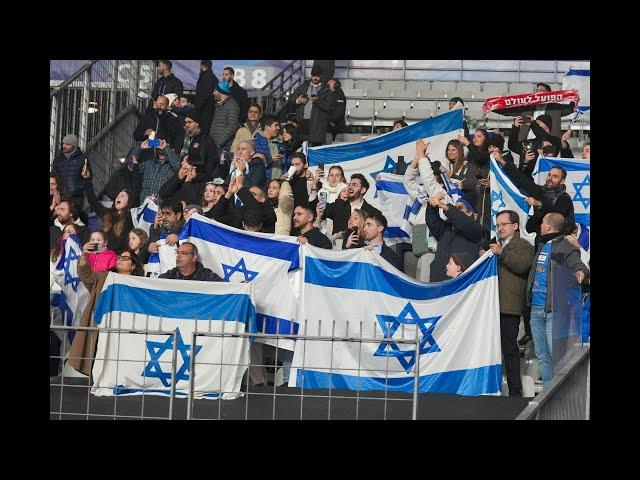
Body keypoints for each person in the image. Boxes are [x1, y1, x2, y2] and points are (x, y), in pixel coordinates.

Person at [526, 212, 589, 388]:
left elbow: (577, 263)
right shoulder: (541, 244)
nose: (539, 226)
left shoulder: (565, 245)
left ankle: (563, 394)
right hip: (536, 308)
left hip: (553, 309)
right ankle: (547, 394)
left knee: (557, 356)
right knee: (542, 356)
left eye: (542, 223)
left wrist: (579, 271)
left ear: (548, 227)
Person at [68, 248, 144, 375]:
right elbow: (86, 275)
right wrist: (83, 257)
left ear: (133, 266)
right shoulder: (105, 277)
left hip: (126, 331)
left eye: (125, 258)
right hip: (102, 328)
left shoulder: (140, 284)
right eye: (119, 257)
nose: (120, 260)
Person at [490, 210, 534, 397]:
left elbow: (522, 265)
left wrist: (501, 252)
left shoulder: (524, 246)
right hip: (490, 306)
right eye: (498, 225)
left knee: (509, 349)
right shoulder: (495, 245)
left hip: (509, 306)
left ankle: (515, 392)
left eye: (504, 224)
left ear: (515, 226)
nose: (500, 228)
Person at [493, 153, 574, 248]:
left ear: (562, 181)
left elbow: (556, 214)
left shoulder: (565, 198)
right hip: (538, 242)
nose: (550, 179)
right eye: (549, 175)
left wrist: (538, 204)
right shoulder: (539, 191)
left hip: (557, 244)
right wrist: (502, 161)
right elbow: (521, 179)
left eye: (555, 176)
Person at [424, 191, 483, 282]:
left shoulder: (476, 229)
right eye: (455, 208)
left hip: (457, 286)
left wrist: (445, 206)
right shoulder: (447, 228)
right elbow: (432, 222)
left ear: (470, 212)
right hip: (437, 281)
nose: (456, 211)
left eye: (460, 208)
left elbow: (463, 221)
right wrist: (432, 206)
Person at [81, 166, 135, 254]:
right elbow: (93, 201)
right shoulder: (107, 214)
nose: (118, 196)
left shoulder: (130, 217)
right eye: (118, 195)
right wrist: (87, 180)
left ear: (128, 202)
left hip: (119, 257)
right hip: (104, 255)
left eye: (122, 196)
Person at [317, 173, 381, 235]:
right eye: (349, 184)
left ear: (363, 190)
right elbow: (312, 209)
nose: (350, 187)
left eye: (354, 185)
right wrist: (313, 184)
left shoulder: (373, 212)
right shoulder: (338, 205)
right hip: (338, 244)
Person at [289, 66, 333, 146]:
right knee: (302, 149)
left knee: (314, 149)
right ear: (311, 75)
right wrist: (298, 100)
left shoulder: (326, 89)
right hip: (303, 122)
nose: (315, 78)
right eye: (313, 75)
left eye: (318, 76)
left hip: (317, 124)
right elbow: (291, 98)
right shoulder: (303, 86)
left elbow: (328, 107)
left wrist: (317, 100)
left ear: (321, 76)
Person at [132, 138, 181, 204]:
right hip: (145, 203)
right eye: (159, 145)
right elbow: (132, 166)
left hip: (161, 206)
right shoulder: (149, 163)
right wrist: (140, 148)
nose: (161, 148)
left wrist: (166, 148)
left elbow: (179, 168)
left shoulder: (172, 165)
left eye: (164, 145)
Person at [51, 134, 91, 205]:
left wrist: (80, 188)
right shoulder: (58, 160)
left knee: (75, 215)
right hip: (61, 196)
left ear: (74, 145)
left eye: (67, 144)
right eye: (63, 143)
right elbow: (54, 177)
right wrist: (55, 192)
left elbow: (89, 177)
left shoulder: (82, 159)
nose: (64, 146)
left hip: (76, 197)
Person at [210, 80, 240, 165]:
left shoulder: (232, 105)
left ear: (220, 92)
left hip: (223, 146)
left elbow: (232, 126)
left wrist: (219, 142)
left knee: (221, 170)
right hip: (215, 145)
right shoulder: (219, 105)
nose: (213, 93)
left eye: (215, 91)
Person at [315, 165, 348, 239]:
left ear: (342, 178)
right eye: (331, 175)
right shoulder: (321, 192)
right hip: (322, 230)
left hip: (338, 233)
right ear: (328, 177)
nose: (334, 178)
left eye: (337, 175)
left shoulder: (345, 192)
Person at [252, 114, 281, 181]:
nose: (278, 128)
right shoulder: (256, 142)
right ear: (267, 127)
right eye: (276, 125)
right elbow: (256, 162)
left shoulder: (279, 141)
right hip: (264, 180)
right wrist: (271, 159)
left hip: (279, 180)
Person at [194, 60, 218, 135]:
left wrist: (198, 107)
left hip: (204, 109)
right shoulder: (213, 77)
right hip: (209, 108)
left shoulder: (205, 77)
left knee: (203, 131)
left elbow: (204, 94)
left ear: (202, 65)